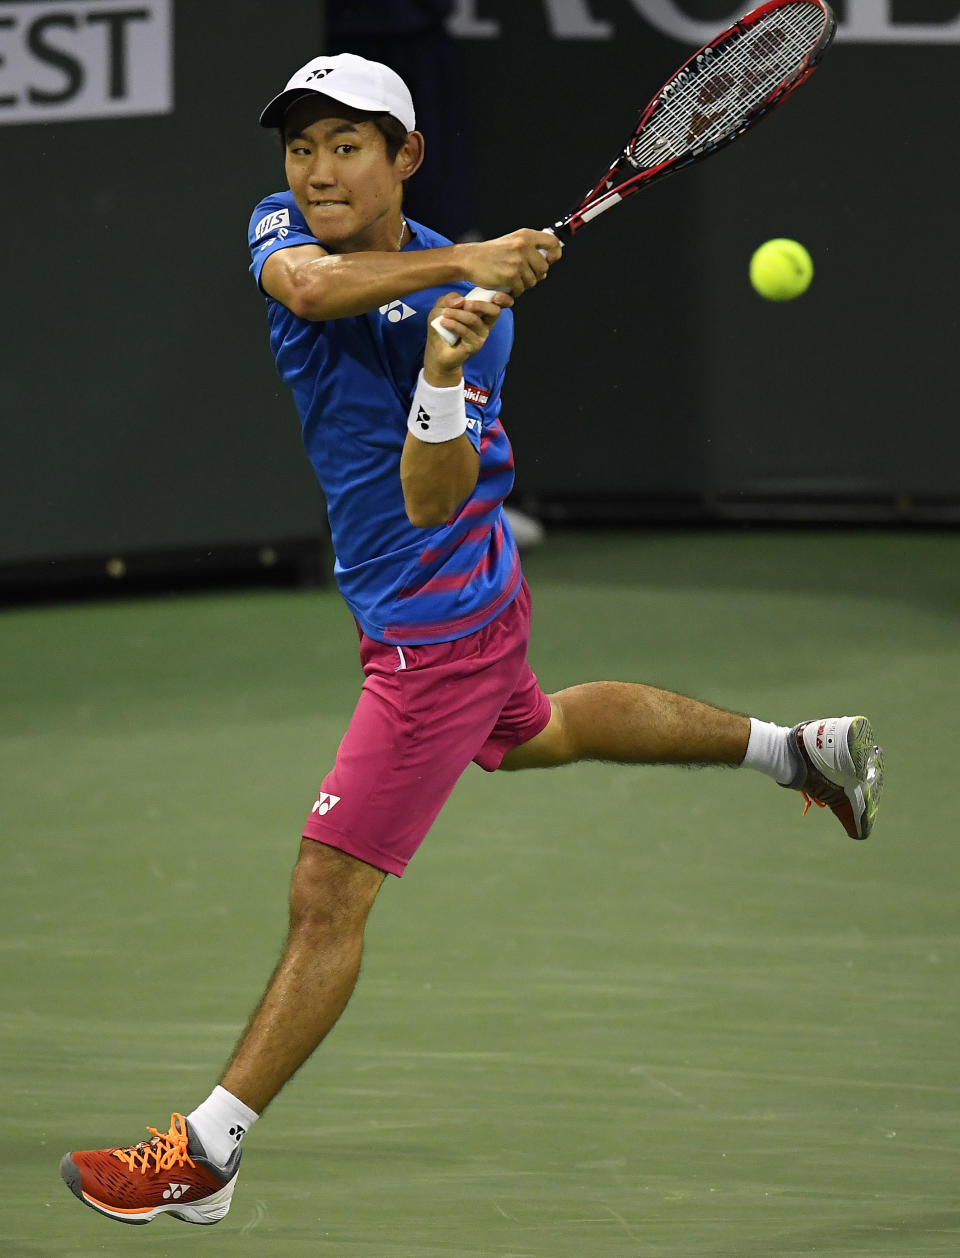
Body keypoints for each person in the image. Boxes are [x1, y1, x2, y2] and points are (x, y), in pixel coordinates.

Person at [59, 53, 885, 1228]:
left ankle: (207, 1154)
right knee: (539, 729)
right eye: (301, 147)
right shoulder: (288, 227)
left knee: (325, 894)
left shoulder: (473, 327)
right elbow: (302, 287)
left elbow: (433, 498)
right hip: (465, 599)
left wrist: (444, 364)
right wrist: (462, 259)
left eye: (349, 145)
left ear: (407, 157)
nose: (316, 171)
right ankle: (795, 751)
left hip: (436, 622)